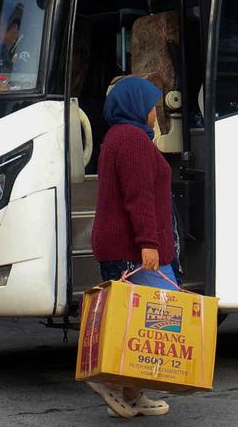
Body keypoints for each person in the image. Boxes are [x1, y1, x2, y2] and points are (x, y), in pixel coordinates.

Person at [87, 75, 177, 418]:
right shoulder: (133, 140)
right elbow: (139, 198)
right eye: (152, 106)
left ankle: (131, 395)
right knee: (159, 318)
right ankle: (112, 382)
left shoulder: (117, 136)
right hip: (134, 250)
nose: (155, 112)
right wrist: (149, 244)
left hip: (120, 246)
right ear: (136, 106)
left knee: (132, 320)